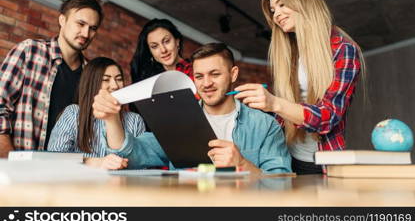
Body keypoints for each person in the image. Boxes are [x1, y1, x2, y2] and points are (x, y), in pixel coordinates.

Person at [233, 0, 364, 175]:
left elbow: (328, 117)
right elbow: (282, 115)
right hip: (287, 158)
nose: (276, 14)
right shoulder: (290, 53)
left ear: (303, 1)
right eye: (273, 10)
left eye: (282, 4)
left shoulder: (343, 50)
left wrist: (274, 103)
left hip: (325, 164)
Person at [93, 43, 292, 174]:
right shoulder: (178, 121)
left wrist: (242, 164)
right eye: (199, 76)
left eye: (215, 74)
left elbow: (281, 183)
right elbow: (132, 153)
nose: (206, 83)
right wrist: (111, 119)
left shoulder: (265, 126)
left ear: (233, 74)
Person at [0, 0, 103, 157]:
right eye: (80, 24)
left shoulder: (90, 74)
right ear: (62, 20)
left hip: (66, 170)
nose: (86, 33)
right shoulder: (30, 51)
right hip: (20, 164)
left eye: (93, 28)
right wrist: (7, 159)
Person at [48, 57, 145, 169]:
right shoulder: (74, 114)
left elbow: (143, 164)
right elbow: (54, 157)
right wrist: (92, 162)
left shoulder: (135, 120)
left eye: (119, 79)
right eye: (106, 80)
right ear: (91, 83)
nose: (115, 86)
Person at [130, 18, 193, 82]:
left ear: (177, 41)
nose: (163, 50)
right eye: (154, 46)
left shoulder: (195, 71)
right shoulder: (150, 81)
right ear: (150, 52)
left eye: (166, 41)